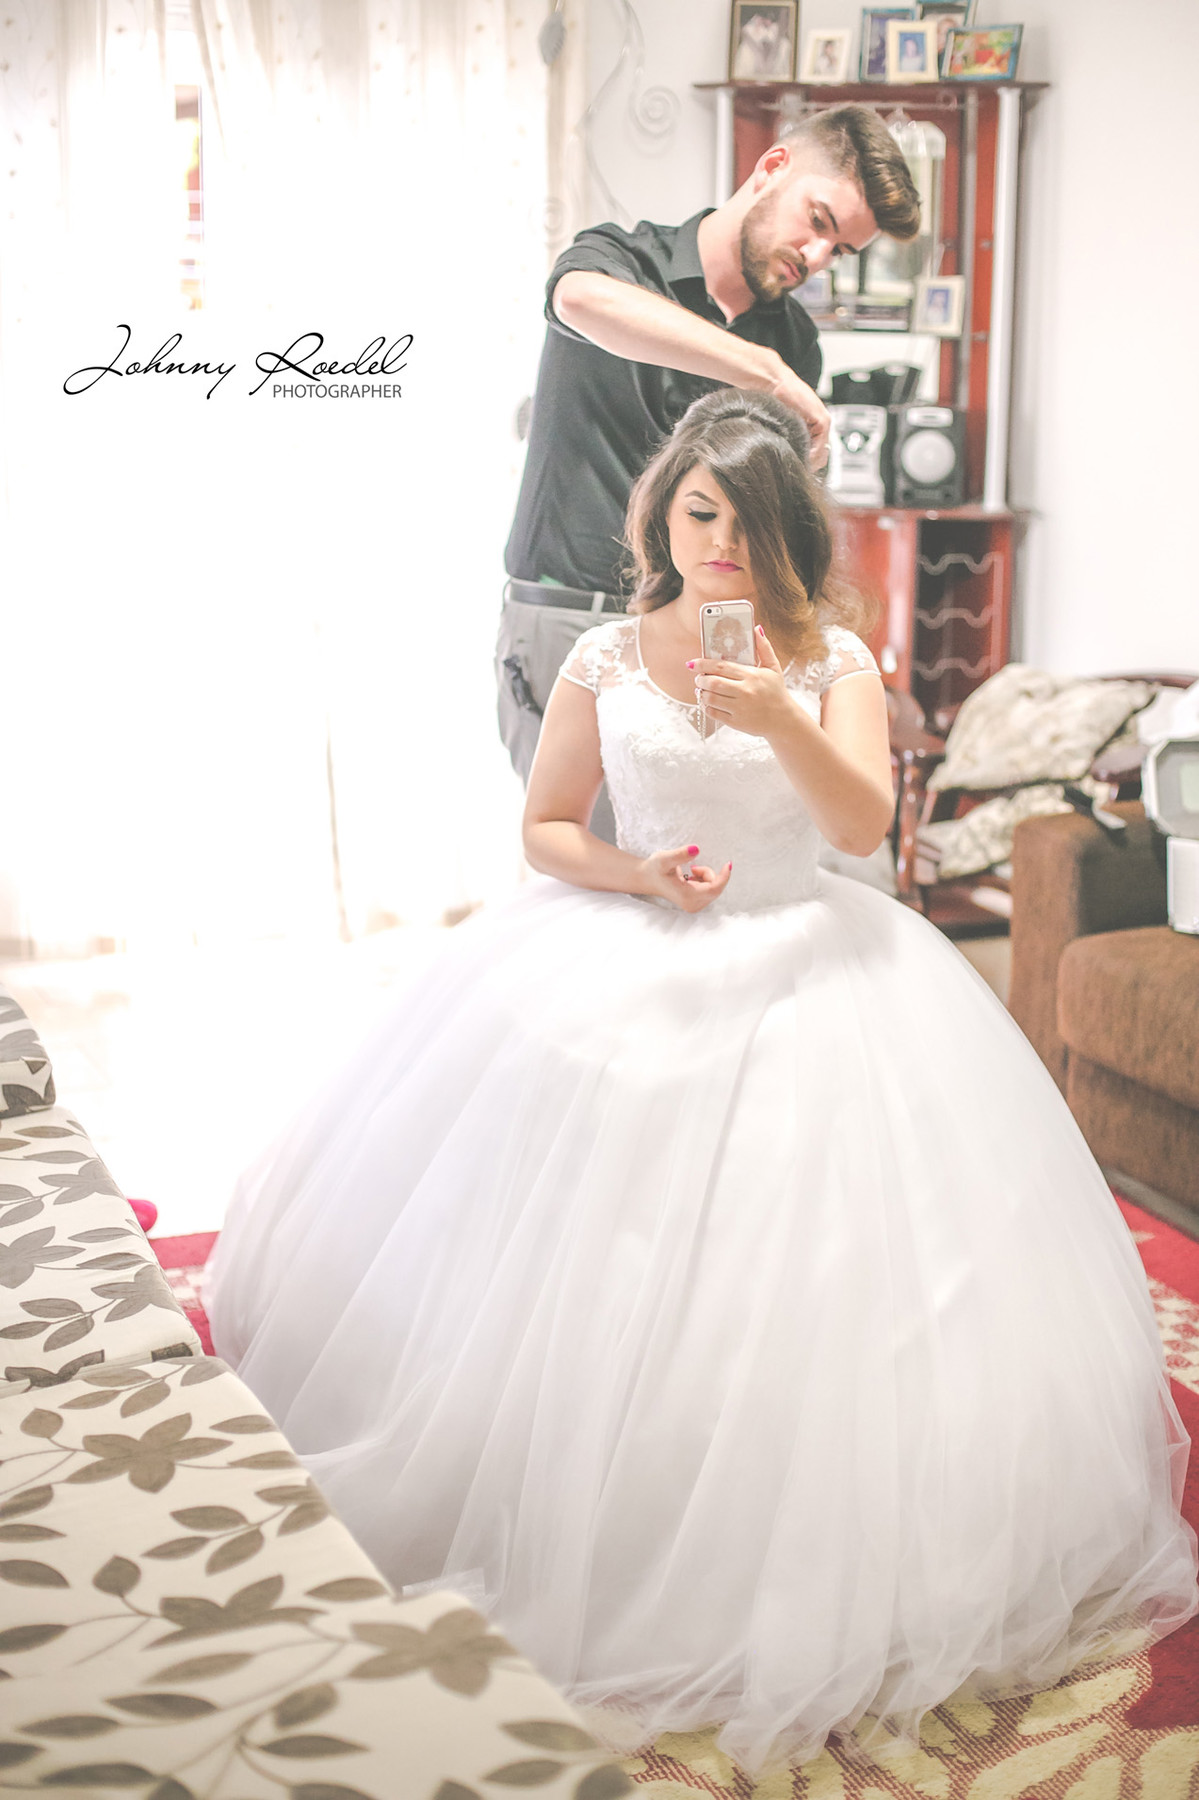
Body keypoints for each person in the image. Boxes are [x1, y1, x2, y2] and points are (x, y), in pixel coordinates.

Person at [207, 389, 1197, 1775]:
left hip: (811, 959)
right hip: (628, 946)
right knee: (581, 1262)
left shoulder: (829, 656)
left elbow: (857, 823)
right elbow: (546, 828)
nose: (718, 545)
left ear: (788, 532)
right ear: (660, 521)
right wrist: (635, 872)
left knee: (823, 1269)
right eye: (696, 514)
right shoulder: (607, 653)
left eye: (744, 521)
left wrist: (776, 715)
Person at [498, 104, 920, 847]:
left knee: (704, 856)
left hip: (707, 625)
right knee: (604, 863)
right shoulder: (622, 260)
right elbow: (578, 301)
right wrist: (764, 374)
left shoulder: (794, 341)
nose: (819, 257)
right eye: (818, 221)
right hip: (573, 613)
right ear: (772, 168)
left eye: (842, 249)